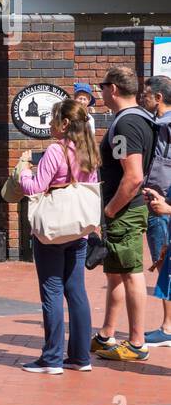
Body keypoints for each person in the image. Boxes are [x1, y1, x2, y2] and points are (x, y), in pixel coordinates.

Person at [15, 99, 99, 373]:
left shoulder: (55, 150)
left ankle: (51, 358)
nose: (49, 124)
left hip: (52, 232)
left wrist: (23, 173)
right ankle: (80, 357)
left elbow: (37, 187)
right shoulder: (88, 150)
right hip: (78, 229)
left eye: (53, 119)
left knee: (51, 291)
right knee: (76, 291)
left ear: (64, 124)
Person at [92, 67, 155, 361]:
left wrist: (110, 209)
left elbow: (133, 177)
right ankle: (106, 334)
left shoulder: (127, 123)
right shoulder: (138, 118)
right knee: (116, 272)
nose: (100, 92)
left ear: (114, 89)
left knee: (131, 273)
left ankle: (137, 343)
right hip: (127, 209)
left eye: (103, 86)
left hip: (125, 209)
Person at [142, 75, 171, 347]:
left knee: (165, 262)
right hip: (161, 200)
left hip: (162, 202)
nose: (143, 99)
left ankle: (168, 326)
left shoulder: (163, 125)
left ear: (159, 98)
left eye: (146, 95)